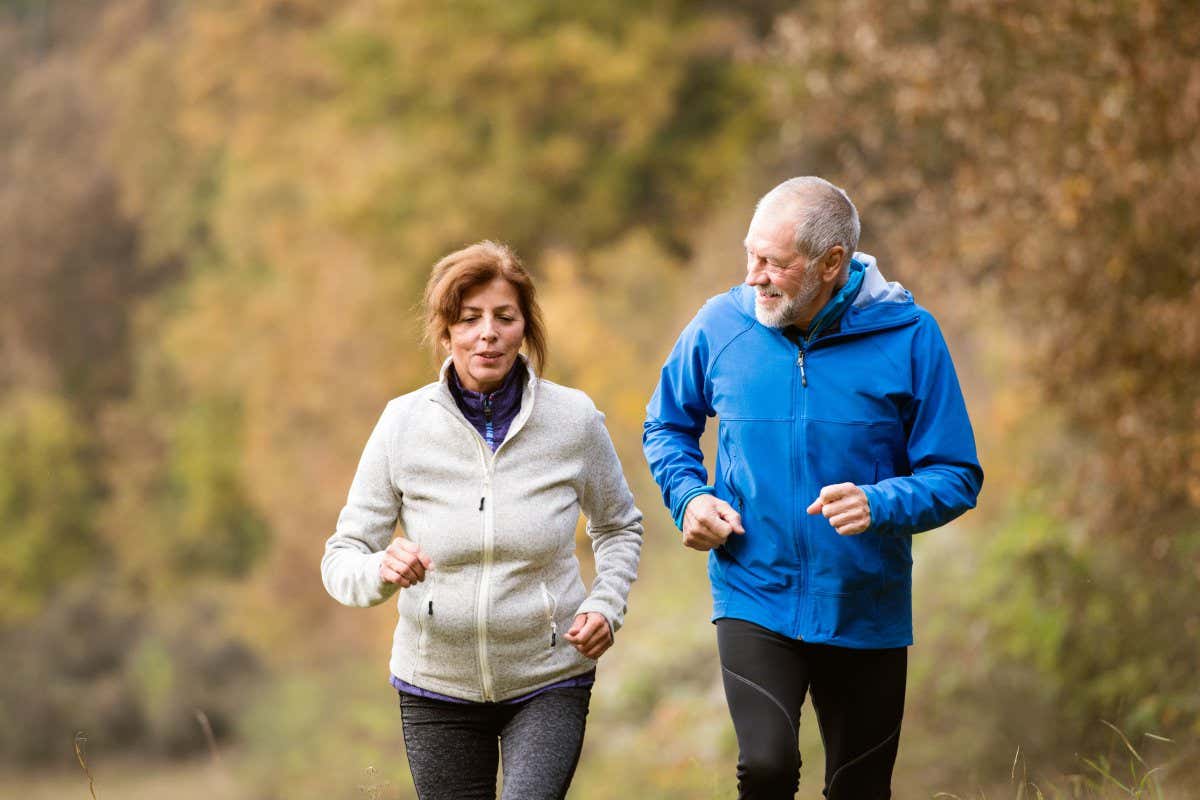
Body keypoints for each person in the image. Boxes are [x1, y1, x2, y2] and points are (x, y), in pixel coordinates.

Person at [643, 177, 983, 799]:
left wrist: (880, 502)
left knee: (859, 787)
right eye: (751, 255)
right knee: (767, 768)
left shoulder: (909, 336)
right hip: (754, 591)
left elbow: (956, 475)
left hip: (864, 605)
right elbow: (666, 424)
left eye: (774, 263)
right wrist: (689, 496)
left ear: (833, 263)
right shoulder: (722, 325)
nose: (755, 276)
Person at [322, 241, 643, 800]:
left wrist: (605, 604)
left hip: (549, 677)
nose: (487, 333)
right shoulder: (402, 425)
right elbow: (342, 555)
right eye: (468, 319)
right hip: (435, 685)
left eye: (504, 317)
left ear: (525, 328)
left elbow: (618, 526)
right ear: (445, 333)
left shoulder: (573, 421)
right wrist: (380, 567)